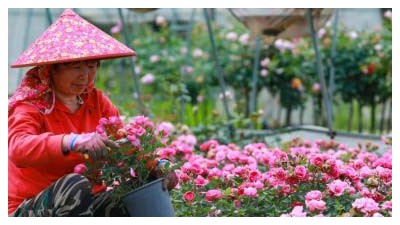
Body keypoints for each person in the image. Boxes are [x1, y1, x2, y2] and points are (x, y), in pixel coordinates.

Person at [8, 8, 178, 217]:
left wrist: (158, 165)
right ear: (50, 69)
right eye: (75, 66)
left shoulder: (96, 101)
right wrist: (72, 142)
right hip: (33, 206)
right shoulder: (30, 104)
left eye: (91, 66)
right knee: (75, 183)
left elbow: (123, 144)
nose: (84, 76)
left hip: (86, 203)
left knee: (146, 184)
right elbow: (18, 148)